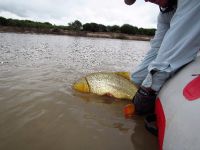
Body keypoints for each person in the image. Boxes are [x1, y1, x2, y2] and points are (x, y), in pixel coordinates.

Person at [124, 0, 200, 115]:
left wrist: (146, 92)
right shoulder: (165, 14)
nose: (146, 0)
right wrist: (135, 82)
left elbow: (172, 52)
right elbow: (156, 49)